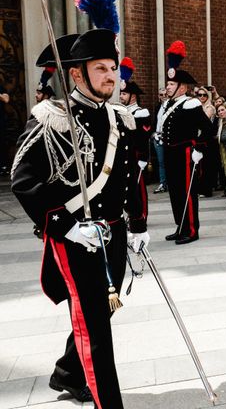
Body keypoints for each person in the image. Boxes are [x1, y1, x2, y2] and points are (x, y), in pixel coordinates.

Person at [12, 29, 148, 409]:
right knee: (96, 333)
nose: (112, 76)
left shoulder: (121, 118)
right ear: (76, 74)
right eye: (101, 69)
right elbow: (22, 179)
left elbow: (128, 173)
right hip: (74, 236)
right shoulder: (51, 117)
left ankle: (69, 373)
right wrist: (66, 226)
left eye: (113, 68)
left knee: (101, 311)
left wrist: (138, 226)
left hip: (114, 234)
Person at [161, 45, 213, 245]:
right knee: (175, 192)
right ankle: (180, 226)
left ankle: (191, 229)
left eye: (171, 84)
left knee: (187, 192)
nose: (168, 87)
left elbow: (207, 129)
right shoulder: (168, 104)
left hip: (184, 153)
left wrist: (198, 148)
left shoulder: (190, 103)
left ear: (182, 87)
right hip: (171, 152)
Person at [119, 64, 152, 223]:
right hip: (125, 156)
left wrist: (144, 158)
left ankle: (142, 215)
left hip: (137, 156)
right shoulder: (121, 112)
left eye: (124, 93)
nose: (121, 96)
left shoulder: (140, 113)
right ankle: (131, 215)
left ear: (133, 96)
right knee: (128, 188)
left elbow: (143, 137)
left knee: (138, 189)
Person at [152, 87, 168, 193]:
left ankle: (170, 183)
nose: (163, 97)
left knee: (169, 161)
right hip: (157, 137)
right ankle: (163, 183)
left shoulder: (171, 106)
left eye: (165, 94)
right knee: (161, 162)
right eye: (161, 95)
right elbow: (155, 121)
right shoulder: (158, 107)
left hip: (166, 137)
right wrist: (153, 133)